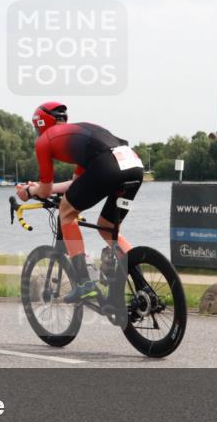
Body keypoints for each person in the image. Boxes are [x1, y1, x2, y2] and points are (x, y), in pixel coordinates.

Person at [16, 102, 143, 303]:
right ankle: (142, 284)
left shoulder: (44, 141)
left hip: (107, 164)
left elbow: (45, 191)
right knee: (107, 228)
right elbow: (75, 184)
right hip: (133, 163)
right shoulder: (79, 135)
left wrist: (30, 191)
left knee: (66, 212)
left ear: (40, 124)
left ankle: (84, 282)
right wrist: (40, 187)